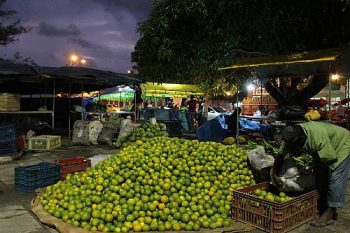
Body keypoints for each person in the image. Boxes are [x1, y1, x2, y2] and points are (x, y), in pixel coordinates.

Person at [272, 121, 350, 227]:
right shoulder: (290, 139)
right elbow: (280, 156)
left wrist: (310, 166)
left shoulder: (317, 137)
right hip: (327, 147)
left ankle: (330, 212)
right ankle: (323, 203)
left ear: (301, 141)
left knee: (335, 176)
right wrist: (275, 175)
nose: (291, 150)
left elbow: (330, 159)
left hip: (342, 143)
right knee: (320, 174)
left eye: (294, 148)